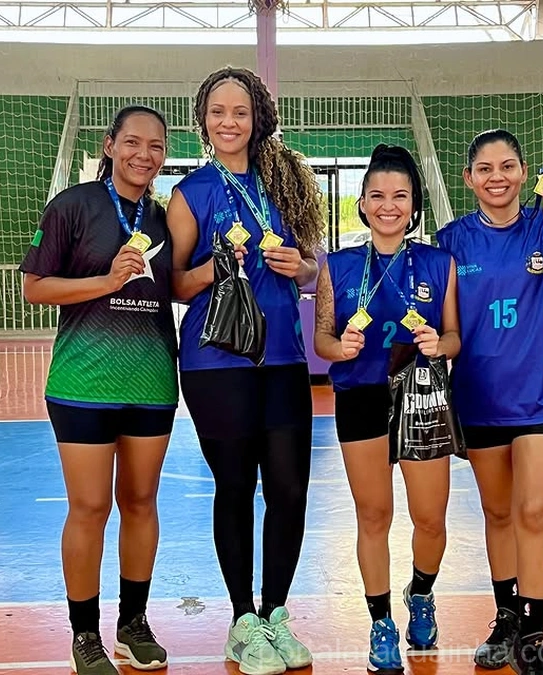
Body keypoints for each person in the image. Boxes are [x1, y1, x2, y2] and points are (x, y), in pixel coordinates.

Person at [165, 67, 325, 675]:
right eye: (217, 111)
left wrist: (299, 268)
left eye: (240, 110)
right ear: (203, 120)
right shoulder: (191, 193)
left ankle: (276, 613)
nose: (228, 122)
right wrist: (217, 267)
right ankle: (242, 621)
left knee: (288, 489)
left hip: (284, 356)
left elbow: (313, 271)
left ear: (258, 117)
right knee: (235, 486)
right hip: (216, 361)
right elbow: (176, 283)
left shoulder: (285, 183)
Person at [18, 105, 178, 675]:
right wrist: (105, 282)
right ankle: (83, 634)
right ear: (109, 145)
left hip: (153, 380)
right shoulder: (73, 206)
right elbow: (35, 287)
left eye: (156, 145)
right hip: (83, 381)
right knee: (90, 506)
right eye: (132, 142)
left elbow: (178, 286)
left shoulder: (164, 218)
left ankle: (132, 625)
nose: (143, 154)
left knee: (140, 503)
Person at [435, 129, 543, 675]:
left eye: (507, 166)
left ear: (523, 173)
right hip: (478, 399)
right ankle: (506, 619)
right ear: (470, 178)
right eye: (485, 168)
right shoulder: (452, 240)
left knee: (533, 510)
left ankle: (533, 640)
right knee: (498, 513)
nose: (497, 177)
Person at [312, 144, 460, 674]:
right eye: (377, 195)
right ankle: (380, 624)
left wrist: (440, 346)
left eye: (400, 195)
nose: (388, 205)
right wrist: (339, 350)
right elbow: (324, 340)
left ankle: (421, 594)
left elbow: (454, 337)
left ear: (414, 202)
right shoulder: (339, 266)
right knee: (373, 515)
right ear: (362, 204)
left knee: (431, 518)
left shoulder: (439, 263)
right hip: (359, 398)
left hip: (422, 396)